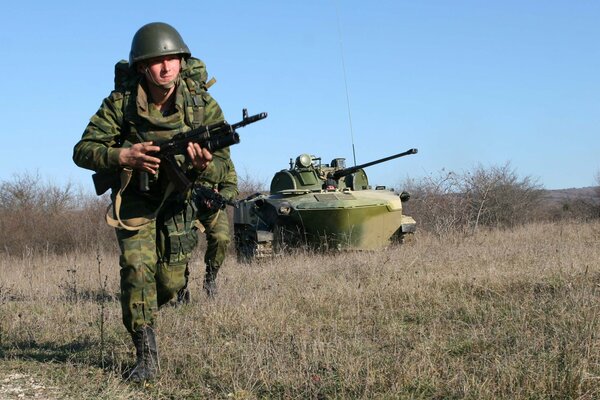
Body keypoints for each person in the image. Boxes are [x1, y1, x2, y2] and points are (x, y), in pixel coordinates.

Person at [73, 22, 238, 382]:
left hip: (178, 200)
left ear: (182, 62)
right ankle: (145, 356)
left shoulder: (200, 104)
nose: (166, 68)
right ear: (142, 67)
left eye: (173, 60)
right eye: (157, 61)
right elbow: (82, 151)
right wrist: (123, 156)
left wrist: (205, 164)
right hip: (135, 201)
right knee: (137, 270)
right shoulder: (121, 104)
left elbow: (225, 161)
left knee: (169, 281)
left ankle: (154, 304)